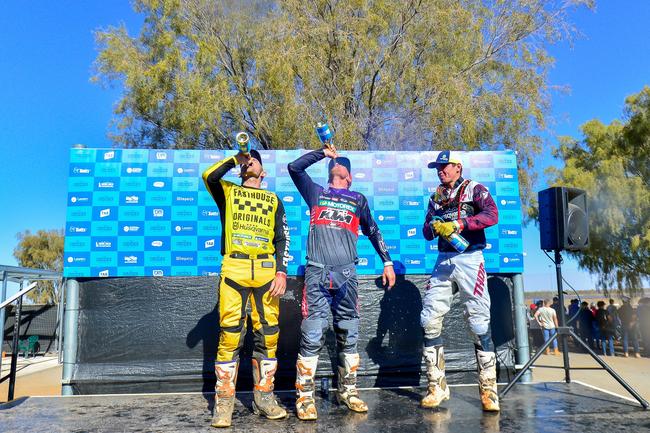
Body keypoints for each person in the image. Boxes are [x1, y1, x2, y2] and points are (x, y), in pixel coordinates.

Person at [287, 146, 396, 420]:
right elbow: (294, 168)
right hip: (317, 274)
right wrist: (322, 153)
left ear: (349, 177)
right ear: (330, 173)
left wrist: (387, 262)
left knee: (349, 333)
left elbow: (373, 230)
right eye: (334, 166)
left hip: (347, 276)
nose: (338, 167)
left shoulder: (357, 199)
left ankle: (348, 391)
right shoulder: (316, 193)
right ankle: (304, 397)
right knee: (312, 334)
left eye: (342, 166)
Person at [202, 149, 291, 428]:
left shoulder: (273, 199)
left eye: (254, 159)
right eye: (246, 160)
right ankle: (224, 403)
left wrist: (282, 272)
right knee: (230, 334)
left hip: (266, 271)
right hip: (234, 268)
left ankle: (263, 398)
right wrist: (234, 159)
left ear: (263, 171)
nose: (249, 161)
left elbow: (282, 239)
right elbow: (209, 176)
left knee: (269, 334)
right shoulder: (228, 192)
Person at [420, 150, 500, 412]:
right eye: (437, 167)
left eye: (445, 166)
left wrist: (461, 224)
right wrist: (435, 225)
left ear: (458, 167)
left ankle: (488, 391)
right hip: (444, 259)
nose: (440, 171)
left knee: (478, 322)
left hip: (470, 258)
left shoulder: (475, 189)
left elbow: (491, 215)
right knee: (429, 320)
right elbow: (425, 232)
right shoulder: (436, 196)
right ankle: (437, 387)